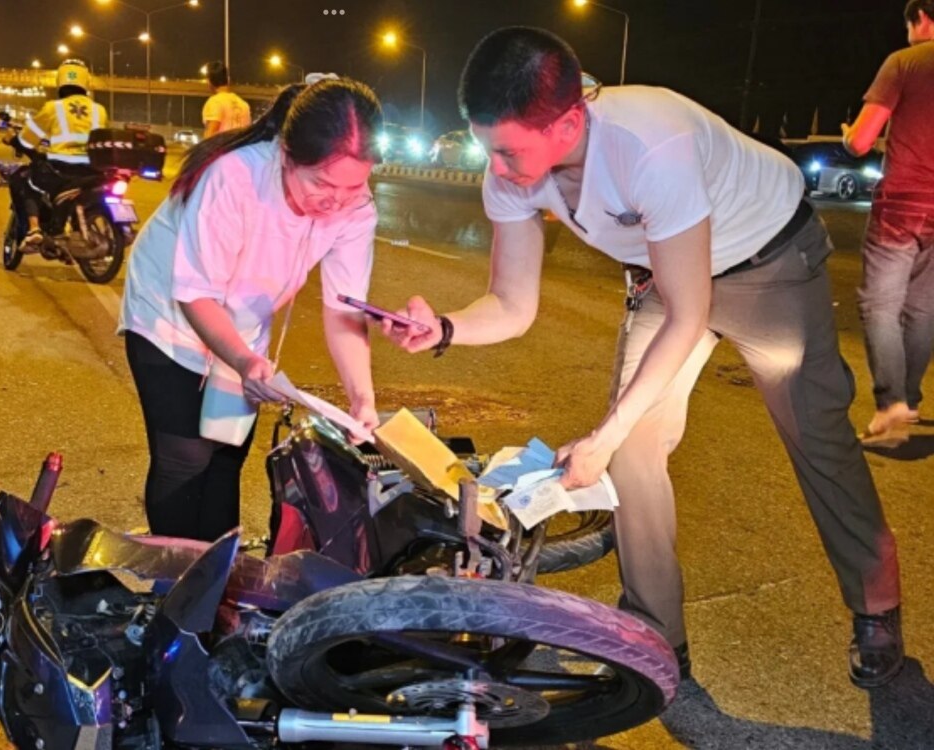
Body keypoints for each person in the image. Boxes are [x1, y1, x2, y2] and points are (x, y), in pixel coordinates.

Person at [386, 27, 904, 688]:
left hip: (769, 260)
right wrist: (446, 330)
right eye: (487, 147)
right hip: (669, 273)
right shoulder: (512, 177)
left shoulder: (648, 143)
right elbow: (513, 304)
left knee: (816, 435)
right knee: (632, 447)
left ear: (569, 121)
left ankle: (877, 604)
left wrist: (601, 435)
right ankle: (654, 635)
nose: (497, 168)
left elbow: (691, 316)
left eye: (509, 151)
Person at [118, 76, 383, 542]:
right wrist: (242, 362)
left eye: (353, 187)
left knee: (226, 454)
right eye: (322, 183)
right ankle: (176, 590)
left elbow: (343, 309)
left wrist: (362, 398)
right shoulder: (235, 177)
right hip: (169, 315)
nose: (336, 201)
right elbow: (195, 292)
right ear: (285, 154)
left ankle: (219, 581)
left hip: (241, 329)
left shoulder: (355, 208)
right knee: (185, 457)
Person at [843, 0, 934, 448]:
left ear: (920, 17)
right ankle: (909, 400)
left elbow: (861, 140)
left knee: (880, 304)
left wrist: (846, 133)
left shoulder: (904, 63)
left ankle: (891, 403)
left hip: (904, 202)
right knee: (922, 306)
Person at [4, 59, 108, 252]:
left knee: (24, 180)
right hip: (92, 170)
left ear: (60, 81)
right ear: (86, 82)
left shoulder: (53, 108)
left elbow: (27, 141)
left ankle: (34, 230)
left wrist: (13, 139)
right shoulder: (99, 110)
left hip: (63, 169)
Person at [202, 61, 251, 139]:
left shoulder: (215, 102)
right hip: (240, 150)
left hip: (223, 150)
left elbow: (209, 137)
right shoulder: (244, 105)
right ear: (228, 80)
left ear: (209, 82)